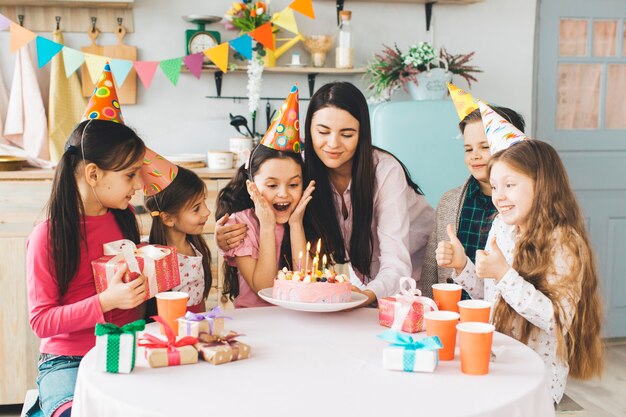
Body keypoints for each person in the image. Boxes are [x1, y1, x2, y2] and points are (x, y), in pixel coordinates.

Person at [217, 82, 434, 303]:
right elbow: (260, 195)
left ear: (362, 134)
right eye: (323, 131)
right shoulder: (300, 171)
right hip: (373, 284)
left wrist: (364, 297)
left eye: (347, 134)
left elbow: (396, 265)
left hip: (421, 275)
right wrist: (226, 234)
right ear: (308, 131)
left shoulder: (385, 171)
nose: (333, 144)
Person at [436, 139, 603, 403]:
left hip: (536, 380)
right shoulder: (502, 227)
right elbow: (493, 295)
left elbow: (556, 320)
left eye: (510, 185)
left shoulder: (564, 242)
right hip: (500, 361)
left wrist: (504, 274)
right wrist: (462, 265)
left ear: (542, 185)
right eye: (494, 187)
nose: (498, 196)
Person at [26, 119, 147, 417]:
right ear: (93, 173)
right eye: (131, 174)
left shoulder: (123, 216)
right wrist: (107, 301)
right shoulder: (48, 235)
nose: (139, 185)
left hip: (125, 347)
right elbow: (41, 320)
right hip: (68, 360)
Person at [421, 106, 526, 295]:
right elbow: (430, 269)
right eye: (468, 149)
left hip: (503, 318)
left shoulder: (524, 207)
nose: (474, 155)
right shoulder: (449, 202)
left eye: (485, 147)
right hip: (452, 316)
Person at [216, 145, 314, 307]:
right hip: (255, 321)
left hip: (298, 318)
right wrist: (267, 227)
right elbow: (265, 289)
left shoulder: (305, 218)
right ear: (251, 187)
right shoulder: (241, 224)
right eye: (272, 185)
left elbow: (308, 284)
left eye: (293, 184)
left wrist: (296, 225)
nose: (283, 193)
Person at [144, 166, 212, 313]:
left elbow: (200, 302)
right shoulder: (154, 260)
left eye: (204, 202)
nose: (207, 211)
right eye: (196, 208)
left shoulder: (196, 247)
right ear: (168, 218)